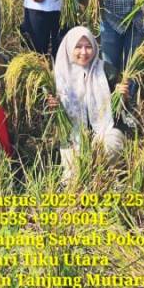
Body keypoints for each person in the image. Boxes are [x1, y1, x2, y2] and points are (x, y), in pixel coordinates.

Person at [47, 26, 127, 182]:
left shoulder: (106, 71)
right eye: (78, 47)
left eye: (88, 46)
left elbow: (120, 111)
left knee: (111, 145)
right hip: (72, 135)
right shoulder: (57, 77)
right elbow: (47, 119)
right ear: (69, 47)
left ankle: (104, 173)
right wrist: (52, 106)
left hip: (103, 131)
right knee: (74, 175)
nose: (84, 52)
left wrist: (122, 96)